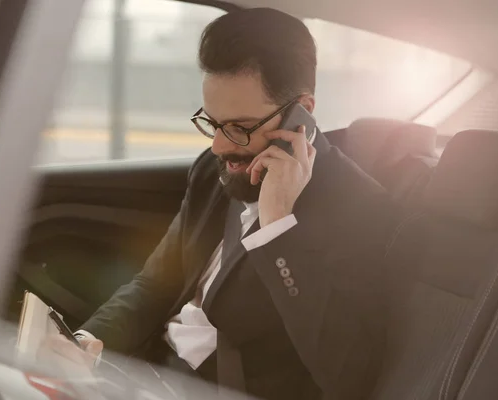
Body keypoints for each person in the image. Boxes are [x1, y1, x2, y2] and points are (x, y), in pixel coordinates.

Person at [44, 8, 397, 400]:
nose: (219, 146)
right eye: (213, 123)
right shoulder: (214, 171)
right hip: (144, 376)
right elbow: (155, 284)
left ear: (303, 112)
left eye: (241, 128)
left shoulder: (362, 208)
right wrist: (85, 345)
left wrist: (278, 228)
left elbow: (350, 376)